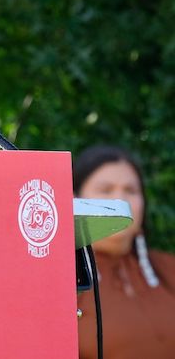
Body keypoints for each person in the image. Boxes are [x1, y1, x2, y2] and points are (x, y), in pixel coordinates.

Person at [73, 144, 175, 358]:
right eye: (105, 190)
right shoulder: (60, 283)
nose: (120, 199)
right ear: (76, 200)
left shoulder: (169, 268)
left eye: (131, 190)